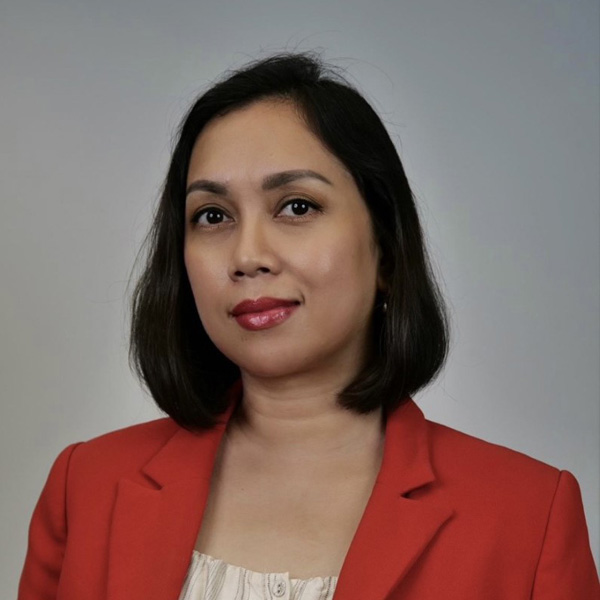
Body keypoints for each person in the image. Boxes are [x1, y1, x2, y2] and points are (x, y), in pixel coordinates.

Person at [18, 53, 599, 600]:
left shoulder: (528, 515)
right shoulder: (87, 485)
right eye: (212, 215)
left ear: (387, 252)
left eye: (297, 206)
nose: (248, 254)